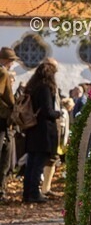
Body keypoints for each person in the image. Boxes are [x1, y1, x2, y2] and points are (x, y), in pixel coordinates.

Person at [23, 58, 60, 204]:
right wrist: (58, 113)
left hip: (33, 130)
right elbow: (47, 111)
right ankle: (33, 193)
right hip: (42, 132)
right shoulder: (45, 88)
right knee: (37, 164)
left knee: (31, 164)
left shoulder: (33, 86)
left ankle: (27, 193)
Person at [0, 47, 18, 202]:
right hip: (2, 122)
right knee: (3, 160)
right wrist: (9, 111)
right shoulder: (3, 72)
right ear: (7, 60)